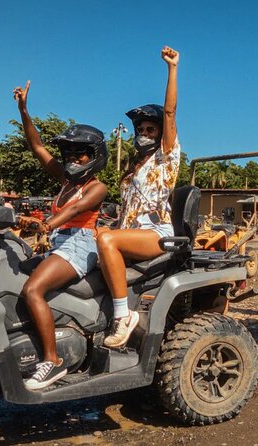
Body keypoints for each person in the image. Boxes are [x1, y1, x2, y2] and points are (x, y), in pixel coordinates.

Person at [13, 81, 108, 390]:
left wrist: (48, 224)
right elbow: (37, 147)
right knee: (13, 273)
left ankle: (52, 361)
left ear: (93, 156)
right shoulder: (65, 179)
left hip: (81, 244)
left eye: (80, 154)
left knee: (33, 290)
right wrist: (24, 111)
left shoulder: (96, 187)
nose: (73, 159)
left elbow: (76, 209)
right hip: (60, 242)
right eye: (69, 153)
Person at [97, 46, 180, 348]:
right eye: (141, 128)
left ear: (159, 134)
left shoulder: (165, 158)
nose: (144, 132)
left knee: (107, 239)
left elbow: (169, 113)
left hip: (156, 234)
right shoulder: (132, 168)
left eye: (150, 128)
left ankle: (124, 316)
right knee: (95, 240)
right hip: (129, 232)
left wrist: (172, 69)